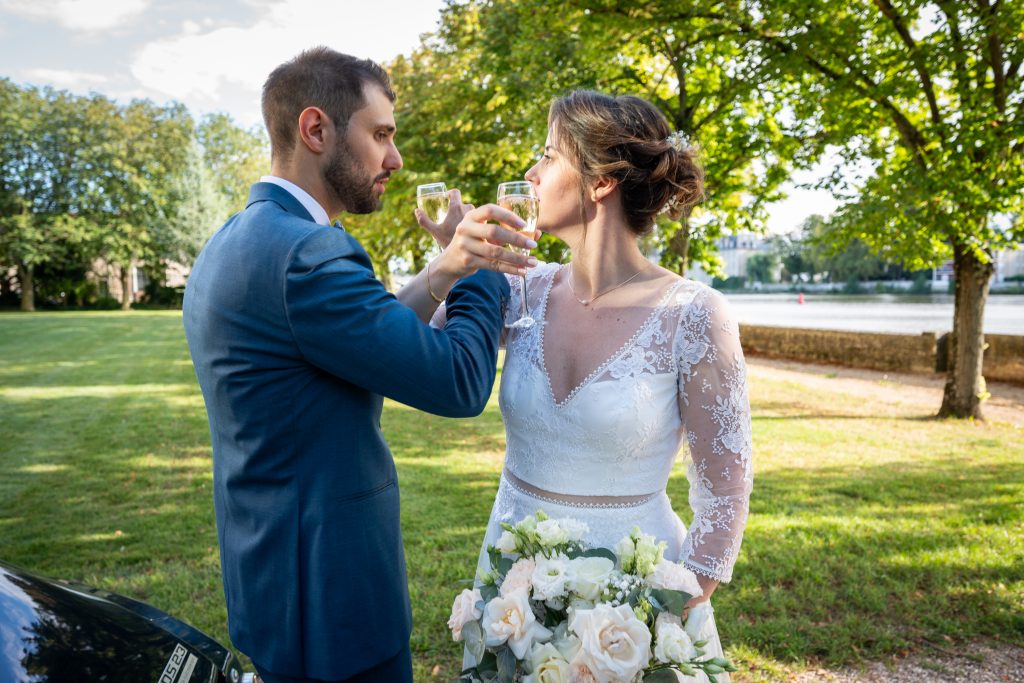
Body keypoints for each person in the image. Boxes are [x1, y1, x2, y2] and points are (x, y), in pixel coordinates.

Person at [182, 47, 535, 683]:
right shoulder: (308, 255)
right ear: (316, 129)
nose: (394, 159)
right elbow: (458, 382)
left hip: (272, 577)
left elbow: (360, 336)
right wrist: (484, 265)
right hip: (331, 598)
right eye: (380, 135)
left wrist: (444, 269)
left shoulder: (239, 238)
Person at [430, 91, 753, 681]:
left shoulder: (693, 314)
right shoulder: (518, 288)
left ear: (600, 181)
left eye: (548, 156)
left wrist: (664, 619)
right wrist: (454, 263)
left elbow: (724, 493)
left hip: (635, 603)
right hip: (512, 589)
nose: (531, 174)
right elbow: (417, 351)